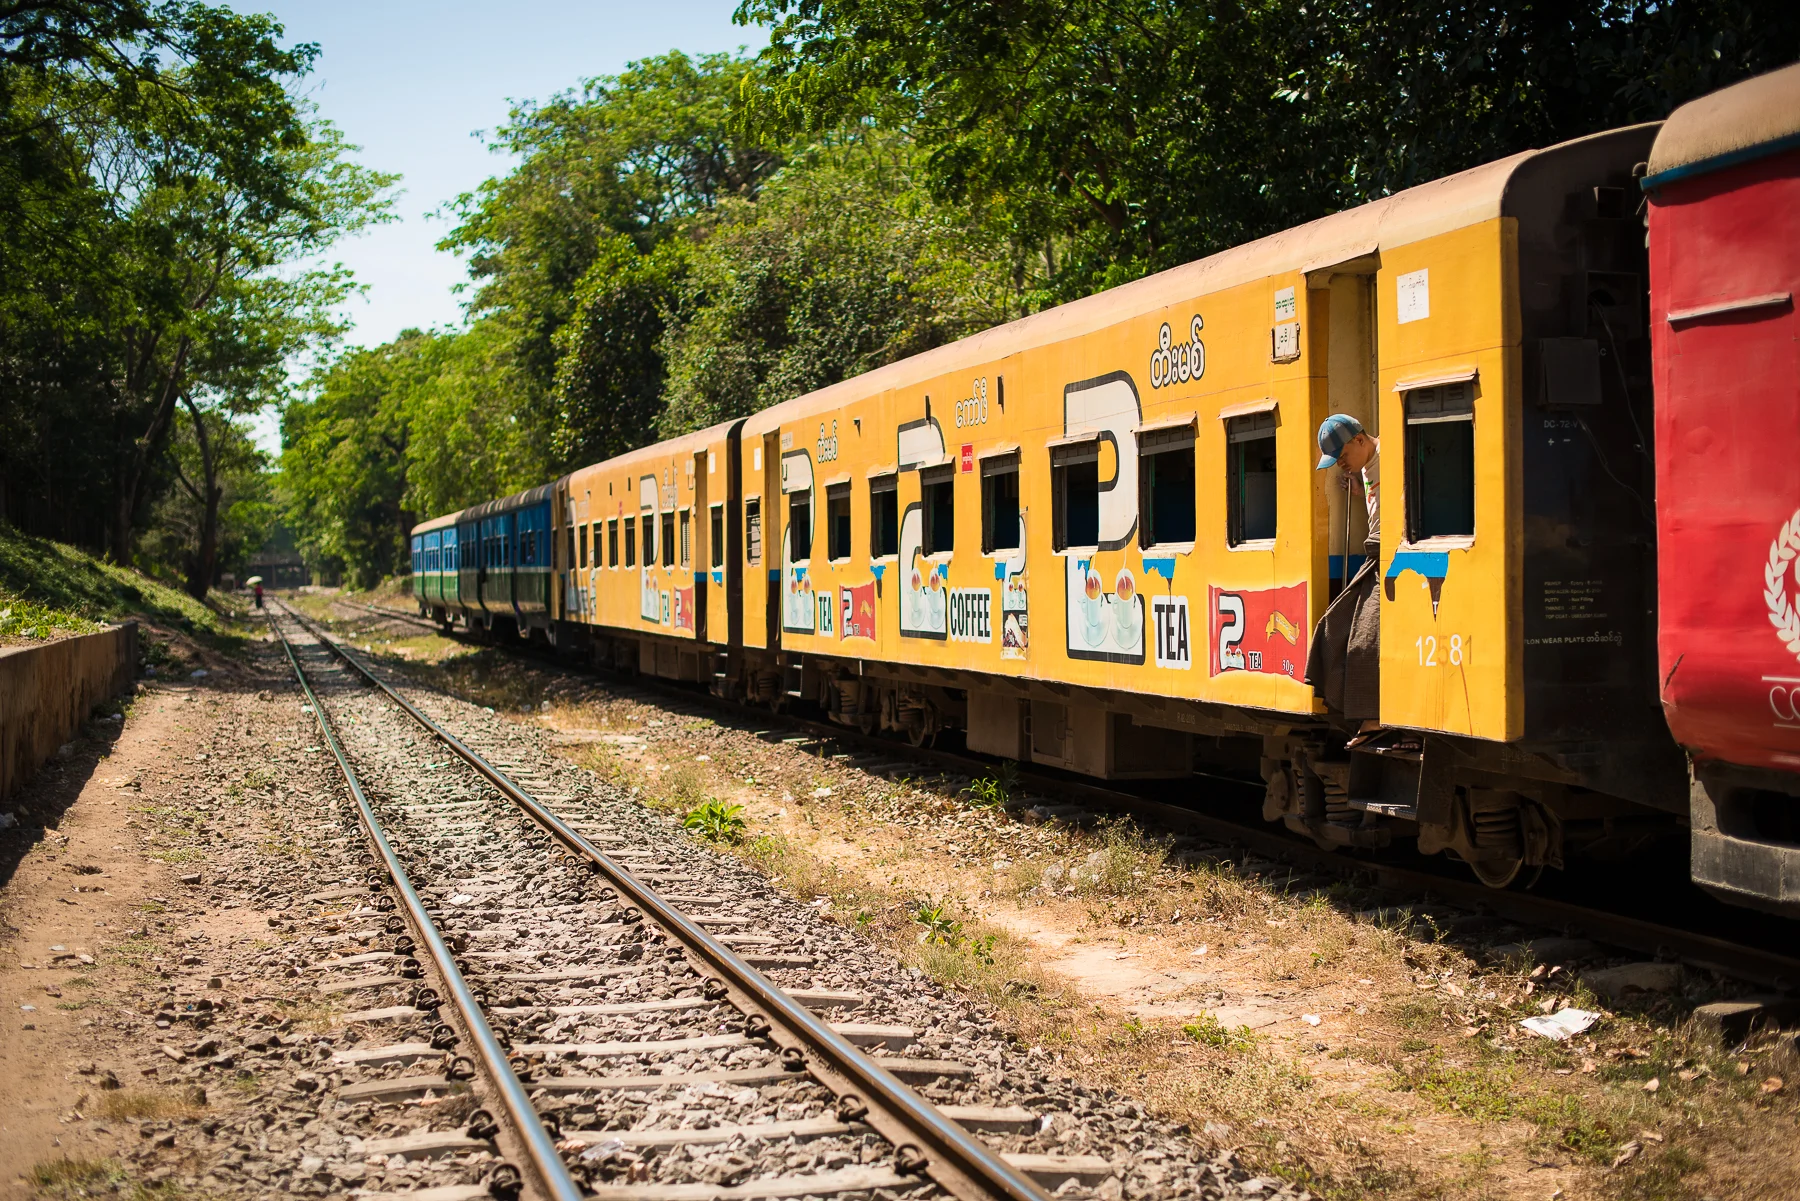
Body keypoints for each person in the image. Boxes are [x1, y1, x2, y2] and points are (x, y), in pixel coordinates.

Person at [1304, 413, 1392, 749]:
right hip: (1376, 554)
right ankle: (1355, 714)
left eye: (1342, 457)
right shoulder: (1366, 466)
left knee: (1364, 638)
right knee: (1333, 626)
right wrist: (1358, 487)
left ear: (1359, 439)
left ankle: (1376, 719)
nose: (1341, 464)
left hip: (1389, 555)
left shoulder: (1391, 453)